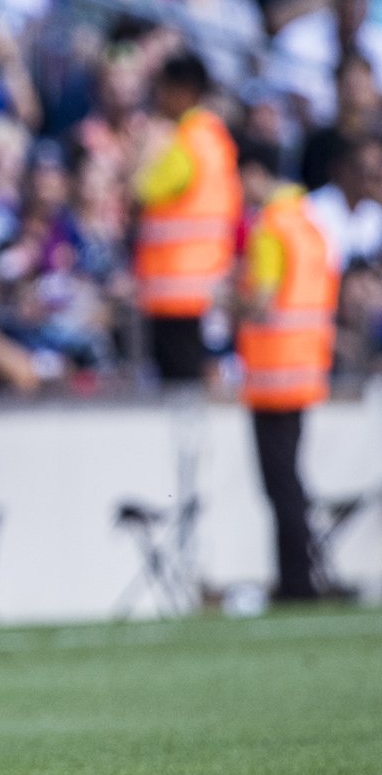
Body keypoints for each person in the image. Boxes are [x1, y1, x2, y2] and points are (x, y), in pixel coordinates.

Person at [234, 138, 339, 604]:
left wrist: (227, 299)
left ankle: (297, 583)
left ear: (255, 172)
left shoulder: (270, 227)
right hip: (306, 368)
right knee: (292, 480)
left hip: (272, 374)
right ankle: (302, 576)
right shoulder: (309, 223)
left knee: (281, 486)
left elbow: (262, 299)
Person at [132, 51, 241, 385]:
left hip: (174, 291)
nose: (158, 98)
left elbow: (142, 190)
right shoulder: (215, 138)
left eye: (163, 89)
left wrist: (146, 148)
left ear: (184, 91)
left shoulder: (183, 142)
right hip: (207, 283)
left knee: (179, 388)